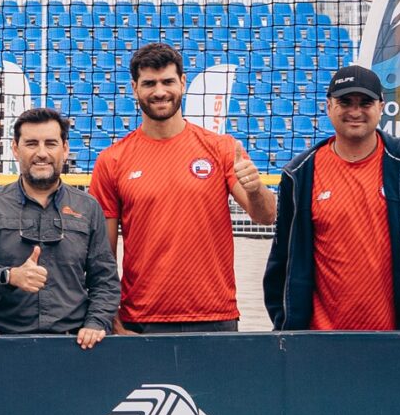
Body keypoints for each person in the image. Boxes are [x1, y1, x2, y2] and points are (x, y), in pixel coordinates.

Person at [88, 42, 276, 334]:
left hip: (214, 314)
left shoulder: (221, 148)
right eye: (149, 83)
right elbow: (103, 255)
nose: (159, 91)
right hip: (141, 318)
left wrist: (255, 189)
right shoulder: (112, 160)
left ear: (183, 83)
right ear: (134, 88)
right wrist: (110, 318)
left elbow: (266, 216)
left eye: (167, 81)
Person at [264, 64, 400, 331]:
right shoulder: (299, 173)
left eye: (365, 103)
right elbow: (282, 259)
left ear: (381, 107)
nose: (355, 112)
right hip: (319, 338)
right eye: (345, 102)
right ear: (329, 106)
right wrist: (286, 325)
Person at [0, 107, 116, 347]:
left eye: (50, 144)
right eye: (31, 144)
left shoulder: (88, 207)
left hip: (75, 344)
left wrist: (96, 322)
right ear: (15, 148)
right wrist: (9, 276)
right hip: (6, 344)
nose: (41, 153)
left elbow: (105, 278)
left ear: (65, 149)